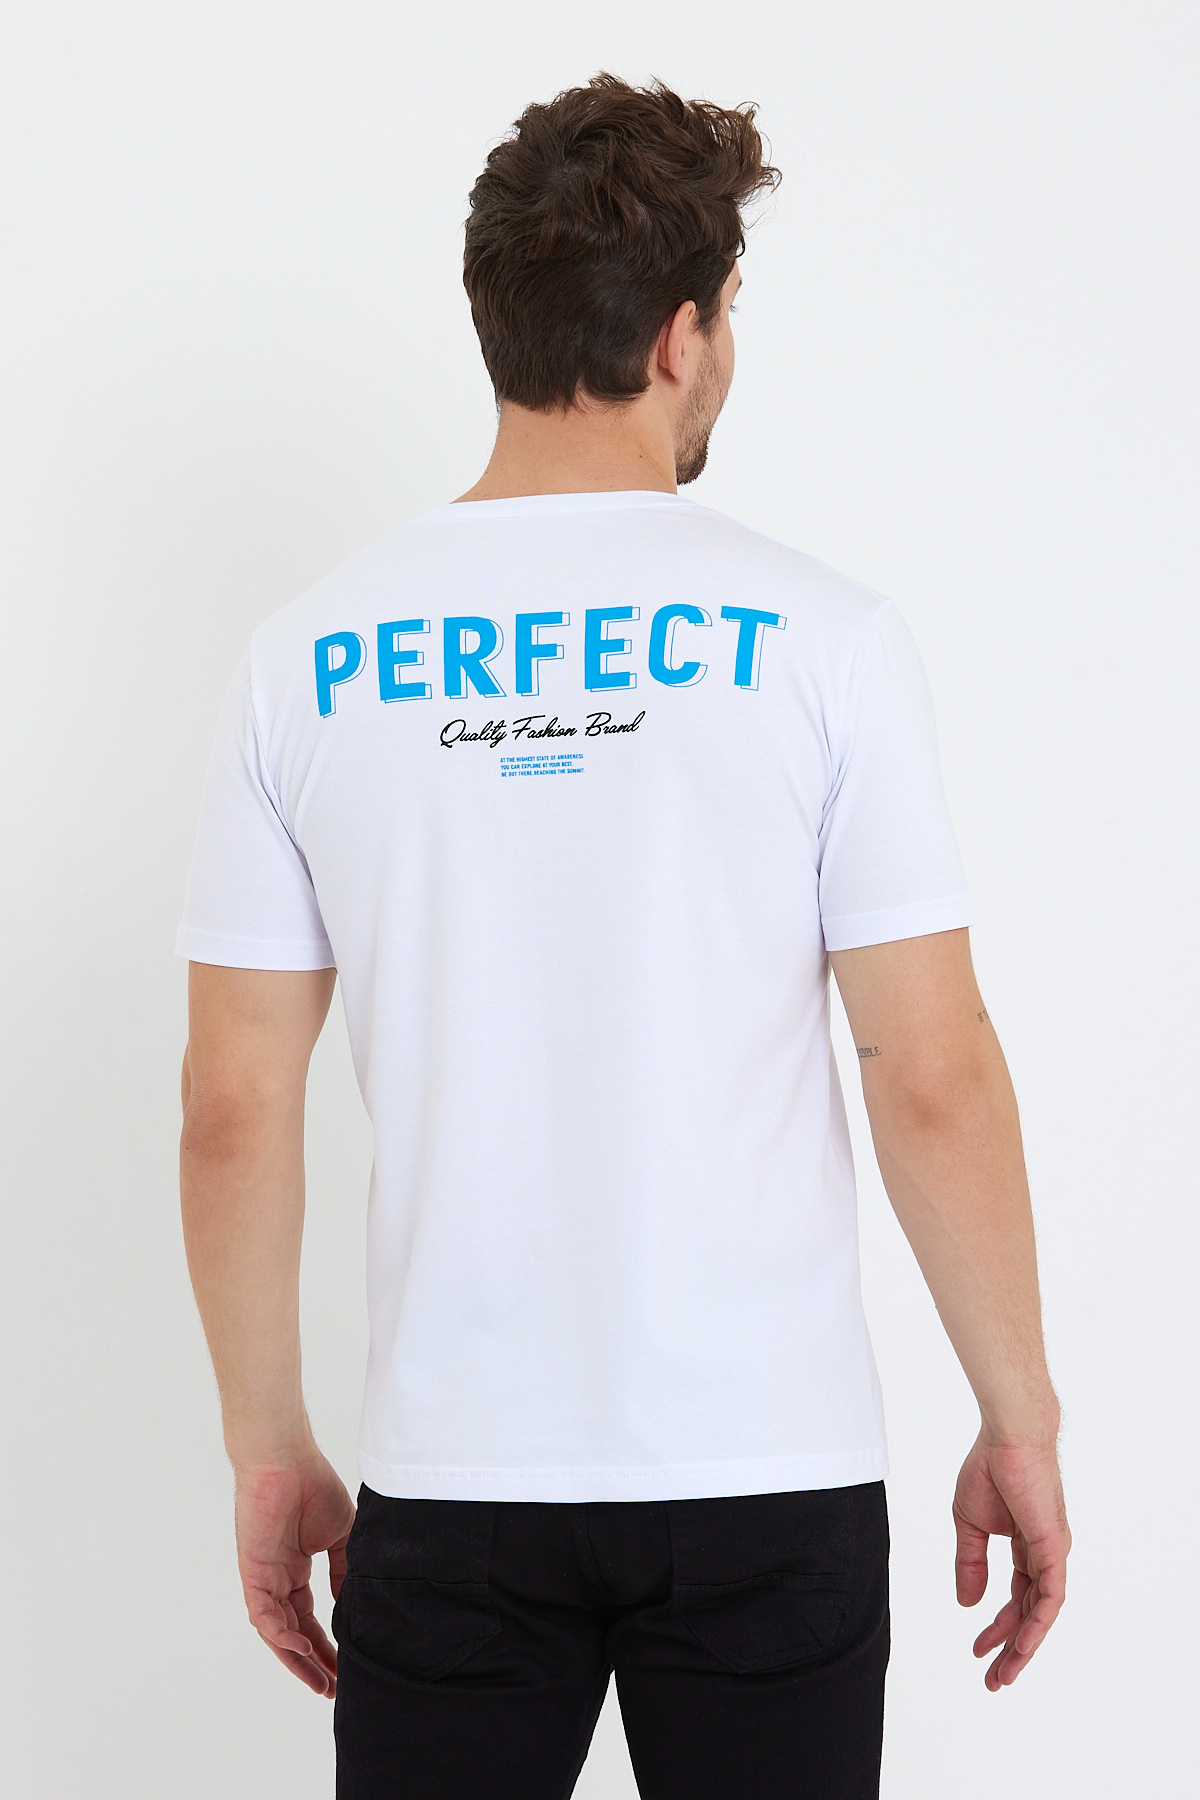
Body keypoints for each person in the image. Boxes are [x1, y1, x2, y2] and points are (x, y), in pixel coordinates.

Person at [177, 73, 1069, 1800]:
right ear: (681, 335)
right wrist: (1019, 1412)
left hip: (455, 1475)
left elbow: (232, 1104)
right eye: (728, 311)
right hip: (766, 1469)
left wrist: (268, 1447)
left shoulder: (303, 662)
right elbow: (931, 1072)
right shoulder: (826, 642)